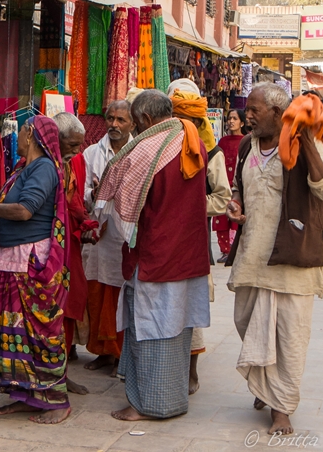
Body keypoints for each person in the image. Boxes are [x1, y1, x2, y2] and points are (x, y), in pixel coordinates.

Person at [226, 83, 323, 436]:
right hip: (253, 256)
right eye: (249, 109)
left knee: (290, 334)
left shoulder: (304, 144)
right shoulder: (246, 145)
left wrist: (304, 140)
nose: (248, 115)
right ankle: (264, 385)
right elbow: (239, 188)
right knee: (246, 321)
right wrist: (236, 205)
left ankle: (281, 407)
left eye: (256, 110)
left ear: (278, 113)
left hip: (293, 257)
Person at [96, 90, 211, 421]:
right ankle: (171, 399)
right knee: (176, 329)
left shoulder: (144, 151)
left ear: (144, 120)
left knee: (148, 330)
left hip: (153, 256)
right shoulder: (192, 141)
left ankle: (147, 405)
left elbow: (125, 212)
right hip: (187, 252)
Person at [0, 116, 72, 424]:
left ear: (30, 133)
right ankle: (28, 394)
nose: (18, 137)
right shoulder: (25, 167)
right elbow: (18, 202)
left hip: (28, 259)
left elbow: (25, 211)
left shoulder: (43, 168)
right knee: (15, 330)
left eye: (21, 131)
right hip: (14, 258)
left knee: (38, 331)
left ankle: (56, 399)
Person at [168, 78, 231, 395]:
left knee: (190, 306)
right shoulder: (162, 147)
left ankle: (191, 371)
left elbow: (222, 198)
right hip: (162, 239)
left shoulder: (212, 153)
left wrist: (189, 206)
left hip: (192, 240)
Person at [82, 101, 135, 378]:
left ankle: (119, 353)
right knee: (98, 291)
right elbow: (82, 194)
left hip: (124, 236)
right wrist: (95, 193)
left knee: (120, 294)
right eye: (110, 118)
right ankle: (102, 351)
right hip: (98, 235)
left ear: (132, 124)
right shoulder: (92, 153)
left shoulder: (139, 151)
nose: (114, 124)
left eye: (121, 120)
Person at [52, 111, 92, 395]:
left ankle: (62, 373)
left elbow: (74, 200)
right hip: (48, 250)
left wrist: (87, 222)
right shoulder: (38, 163)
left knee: (69, 306)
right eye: (73, 145)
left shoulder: (72, 161)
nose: (77, 151)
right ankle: (49, 375)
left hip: (70, 246)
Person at [213, 110, 248, 263]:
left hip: (238, 185)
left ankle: (234, 249)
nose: (231, 121)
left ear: (242, 123)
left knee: (235, 215)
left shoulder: (246, 141)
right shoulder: (222, 142)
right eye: (229, 118)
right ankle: (225, 250)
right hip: (222, 184)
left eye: (235, 118)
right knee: (221, 216)